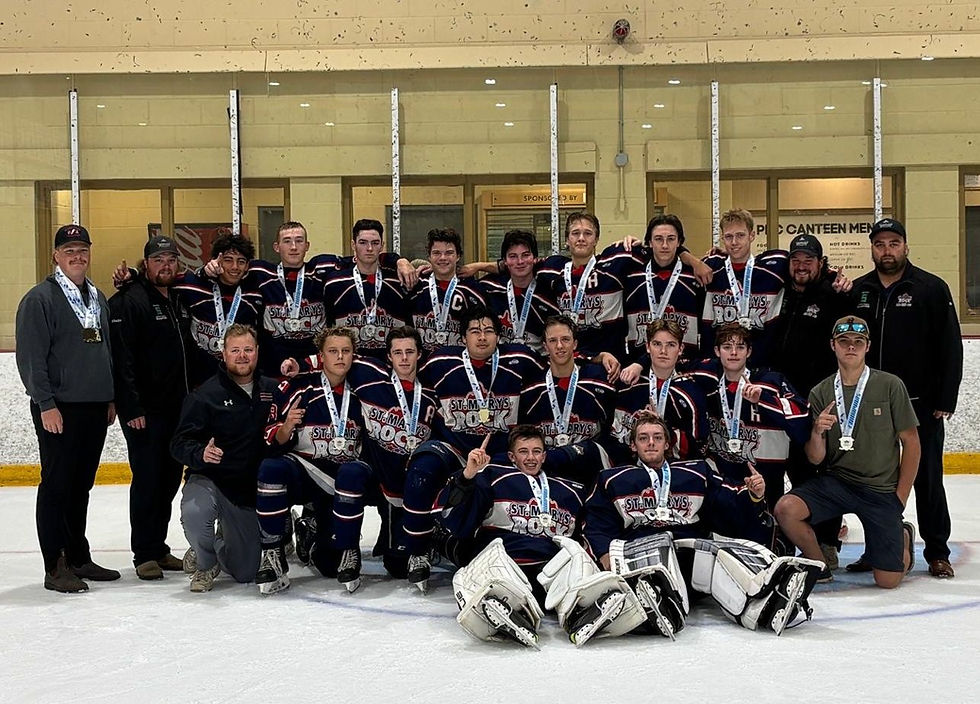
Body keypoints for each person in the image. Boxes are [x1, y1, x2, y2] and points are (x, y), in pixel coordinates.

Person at [584, 411, 822, 637]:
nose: (651, 443)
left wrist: (753, 494)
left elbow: (728, 500)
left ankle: (765, 604)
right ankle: (652, 601)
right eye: (643, 438)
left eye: (657, 437)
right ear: (633, 445)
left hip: (688, 553)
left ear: (667, 444)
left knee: (717, 553)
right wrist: (604, 554)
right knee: (660, 548)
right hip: (643, 555)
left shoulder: (695, 473)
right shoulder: (612, 479)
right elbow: (596, 522)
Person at [442, 425, 646, 647]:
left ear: (544, 456)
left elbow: (590, 531)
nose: (531, 458)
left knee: (576, 556)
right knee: (494, 561)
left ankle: (584, 613)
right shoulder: (493, 477)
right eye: (523, 452)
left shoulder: (572, 490)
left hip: (549, 575)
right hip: (509, 564)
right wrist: (468, 476)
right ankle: (504, 606)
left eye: (536, 451)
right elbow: (455, 520)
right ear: (511, 456)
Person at [401, 306, 544, 591]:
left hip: (499, 455)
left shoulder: (520, 359)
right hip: (453, 448)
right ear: (463, 337)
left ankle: (474, 547)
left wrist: (601, 356)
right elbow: (405, 376)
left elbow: (559, 362)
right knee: (422, 469)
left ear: (498, 336)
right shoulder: (441, 361)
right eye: (475, 331)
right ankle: (417, 549)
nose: (482, 337)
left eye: (489, 331)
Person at [851, 218, 963, 579]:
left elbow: (950, 346)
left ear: (905, 246)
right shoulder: (859, 290)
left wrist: (946, 396)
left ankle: (937, 552)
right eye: (880, 244)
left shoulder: (931, 288)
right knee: (874, 480)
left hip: (920, 404)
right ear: (872, 249)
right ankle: (878, 548)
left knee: (927, 478)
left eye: (894, 243)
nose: (887, 251)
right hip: (870, 405)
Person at [775, 316, 920, 588]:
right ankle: (819, 565)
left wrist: (900, 497)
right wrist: (817, 432)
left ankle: (902, 538)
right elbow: (815, 458)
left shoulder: (890, 385)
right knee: (786, 509)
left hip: (880, 489)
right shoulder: (821, 391)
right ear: (833, 345)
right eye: (844, 341)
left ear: (868, 346)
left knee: (887, 581)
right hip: (838, 483)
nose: (851, 347)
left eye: (858, 342)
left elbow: (912, 443)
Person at [16, 223, 120, 593]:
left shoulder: (97, 297)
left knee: (81, 486)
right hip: (59, 408)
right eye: (69, 251)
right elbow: (32, 359)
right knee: (57, 485)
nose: (77, 256)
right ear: (56, 256)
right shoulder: (39, 300)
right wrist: (45, 403)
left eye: (82, 250)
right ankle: (55, 564)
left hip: (94, 406)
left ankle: (78, 556)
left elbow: (104, 350)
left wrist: (109, 396)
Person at [255, 327, 366, 594]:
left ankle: (313, 534)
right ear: (321, 356)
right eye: (332, 351)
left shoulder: (366, 387)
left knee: (329, 566)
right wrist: (286, 427)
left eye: (346, 351)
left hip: (344, 478)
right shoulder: (298, 387)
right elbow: (271, 437)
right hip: (306, 470)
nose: (340, 357)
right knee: (270, 468)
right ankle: (272, 552)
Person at [108, 235, 193, 580]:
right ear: (146, 265)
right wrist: (132, 408)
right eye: (158, 260)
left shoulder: (178, 299)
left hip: (177, 410)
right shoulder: (129, 301)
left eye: (171, 259)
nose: (165, 266)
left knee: (169, 479)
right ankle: (144, 553)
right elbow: (122, 360)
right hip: (145, 412)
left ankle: (158, 547)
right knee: (148, 480)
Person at [170, 324, 276, 592]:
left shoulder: (272, 390)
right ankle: (205, 563)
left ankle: (219, 543)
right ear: (224, 353)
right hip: (210, 479)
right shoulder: (206, 395)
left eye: (248, 350)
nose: (242, 356)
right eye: (235, 350)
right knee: (195, 513)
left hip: (245, 492)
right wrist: (200, 453)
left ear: (257, 351)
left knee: (247, 572)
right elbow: (178, 443)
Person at [770, 233, 852, 569]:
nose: (801, 266)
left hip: (817, 402)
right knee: (784, 467)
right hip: (780, 401)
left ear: (820, 263)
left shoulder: (833, 295)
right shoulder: (781, 293)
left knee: (818, 472)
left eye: (808, 260)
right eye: (796, 260)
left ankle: (826, 541)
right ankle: (785, 537)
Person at [691, 322, 809, 519]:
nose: (733, 353)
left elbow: (802, 416)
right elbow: (669, 364)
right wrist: (640, 364)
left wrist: (763, 399)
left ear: (749, 351)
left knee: (767, 530)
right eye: (727, 347)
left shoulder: (770, 381)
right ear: (717, 351)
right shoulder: (707, 380)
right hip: (725, 482)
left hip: (767, 481)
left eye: (740, 347)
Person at [518, 315, 616, 484]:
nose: (559, 346)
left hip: (589, 474)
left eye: (565, 339)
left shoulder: (600, 382)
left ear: (575, 344)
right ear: (545, 346)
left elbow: (611, 433)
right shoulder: (531, 390)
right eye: (553, 340)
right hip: (546, 475)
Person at [699, 208, 789, 366]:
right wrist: (690, 259)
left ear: (752, 235)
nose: (734, 242)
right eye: (729, 237)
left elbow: (807, 266)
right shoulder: (711, 267)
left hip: (761, 366)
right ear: (722, 238)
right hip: (718, 367)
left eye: (740, 235)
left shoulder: (774, 268)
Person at [612, 319, 708, 463]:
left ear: (680, 349)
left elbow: (699, 449)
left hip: (676, 469)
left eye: (671, 345)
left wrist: (662, 428)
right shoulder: (628, 384)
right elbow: (615, 435)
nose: (663, 351)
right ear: (648, 347)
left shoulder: (692, 393)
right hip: (631, 467)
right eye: (657, 344)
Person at [174, 233, 264, 387]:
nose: (235, 267)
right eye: (228, 260)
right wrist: (133, 274)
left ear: (247, 265)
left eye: (241, 261)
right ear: (216, 261)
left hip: (240, 380)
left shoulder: (254, 292)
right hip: (200, 381)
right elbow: (161, 278)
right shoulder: (193, 286)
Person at [321, 219, 410, 360]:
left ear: (382, 246)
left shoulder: (398, 281)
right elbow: (328, 325)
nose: (369, 248)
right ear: (353, 245)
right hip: (349, 364)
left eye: (375, 243)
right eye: (363, 243)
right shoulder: (335, 283)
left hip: (390, 365)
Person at [622, 214, 704, 366]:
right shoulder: (632, 277)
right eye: (658, 239)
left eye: (671, 239)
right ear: (650, 242)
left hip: (685, 366)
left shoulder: (694, 277)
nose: (665, 245)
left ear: (679, 242)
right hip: (639, 368)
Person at [478, 229, 559, 354]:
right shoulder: (490, 288)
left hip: (536, 363)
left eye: (525, 255)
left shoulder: (548, 295)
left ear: (535, 258)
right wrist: (477, 266)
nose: (520, 262)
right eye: (513, 256)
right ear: (504, 261)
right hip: (499, 362)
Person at [407, 228, 485, 355]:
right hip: (423, 364)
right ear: (429, 256)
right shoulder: (415, 286)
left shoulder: (473, 291)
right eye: (436, 253)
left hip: (460, 365)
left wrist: (480, 266)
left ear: (458, 256)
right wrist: (402, 262)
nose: (443, 258)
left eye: (449, 253)